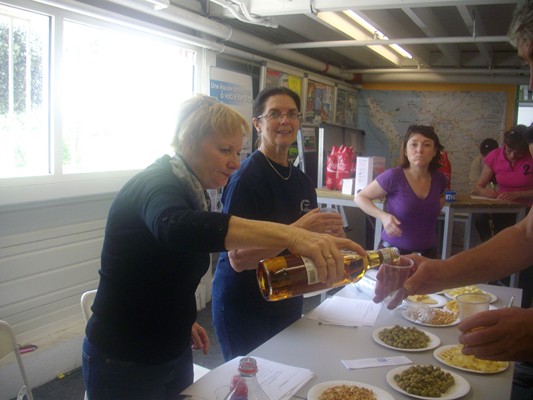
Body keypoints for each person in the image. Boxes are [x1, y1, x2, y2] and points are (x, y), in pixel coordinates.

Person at [81, 94, 364, 400]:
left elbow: (158, 272)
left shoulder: (193, 190)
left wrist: (182, 318)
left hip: (171, 348)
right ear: (188, 141)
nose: (235, 162)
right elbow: (174, 226)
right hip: (125, 358)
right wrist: (292, 235)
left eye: (238, 151)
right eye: (224, 150)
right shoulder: (156, 183)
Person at [211, 87, 345, 361]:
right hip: (245, 305)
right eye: (275, 114)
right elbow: (239, 259)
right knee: (249, 385)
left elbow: (309, 242)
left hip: (288, 295)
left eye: (292, 114)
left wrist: (332, 242)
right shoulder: (245, 179)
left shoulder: (302, 182)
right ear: (258, 124)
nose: (285, 120)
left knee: (285, 378)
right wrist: (298, 231)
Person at [354, 125, 448, 258]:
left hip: (428, 255)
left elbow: (442, 198)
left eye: (426, 145)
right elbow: (360, 197)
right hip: (393, 254)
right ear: (405, 150)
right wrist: (384, 217)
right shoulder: (393, 176)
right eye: (414, 145)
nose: (419, 150)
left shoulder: (440, 179)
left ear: (434, 151)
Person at [472, 125, 533, 242]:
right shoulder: (495, 155)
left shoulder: (531, 156)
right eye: (509, 150)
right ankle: (489, 246)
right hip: (503, 205)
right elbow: (478, 186)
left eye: (518, 154)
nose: (511, 156)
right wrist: (486, 192)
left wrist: (517, 195)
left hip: (527, 207)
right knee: (480, 218)